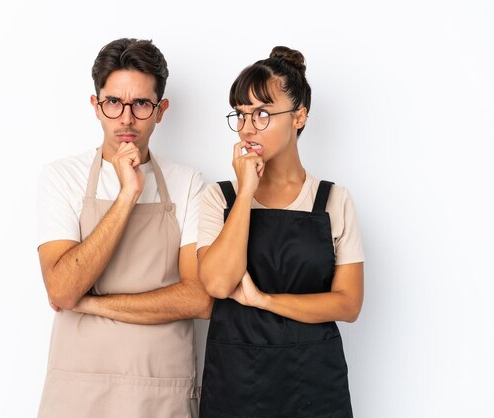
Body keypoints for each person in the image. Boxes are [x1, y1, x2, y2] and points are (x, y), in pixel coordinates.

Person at [36, 38, 211, 418]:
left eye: (141, 104)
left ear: (161, 110)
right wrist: (128, 195)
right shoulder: (62, 178)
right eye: (113, 102)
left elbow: (198, 298)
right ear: (95, 107)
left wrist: (92, 304)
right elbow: (63, 288)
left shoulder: (188, 182)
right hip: (77, 392)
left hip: (161, 390)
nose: (127, 119)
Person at [197, 46, 364, 417]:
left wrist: (265, 301)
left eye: (261, 114)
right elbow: (218, 284)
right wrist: (245, 193)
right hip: (234, 384)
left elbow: (348, 304)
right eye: (240, 115)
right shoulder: (218, 198)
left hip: (315, 386)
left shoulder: (332, 200)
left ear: (299, 117)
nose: (246, 128)